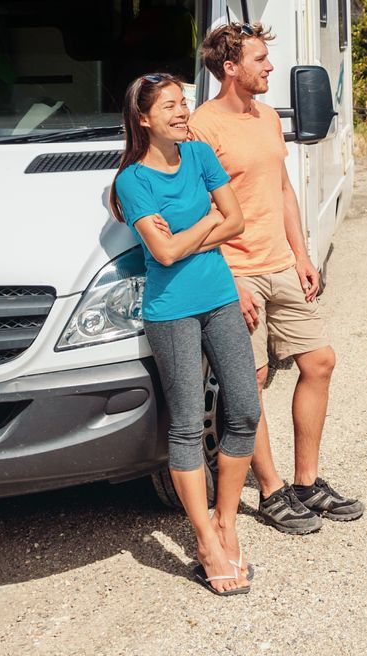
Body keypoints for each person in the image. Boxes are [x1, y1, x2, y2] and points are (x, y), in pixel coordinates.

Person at [190, 22, 364, 534]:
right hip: (237, 272)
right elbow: (196, 210)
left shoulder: (265, 116)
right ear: (230, 68)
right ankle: (270, 491)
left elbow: (283, 189)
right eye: (261, 59)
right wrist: (228, 277)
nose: (270, 68)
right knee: (254, 381)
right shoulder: (202, 127)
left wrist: (302, 254)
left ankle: (307, 482)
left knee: (320, 361)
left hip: (280, 265)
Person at [110, 72, 260, 596]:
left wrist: (187, 235)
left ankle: (227, 521)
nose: (181, 112)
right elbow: (165, 255)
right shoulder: (132, 181)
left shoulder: (199, 156)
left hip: (219, 297)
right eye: (170, 106)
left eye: (183, 103)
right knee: (187, 422)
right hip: (171, 310)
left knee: (244, 408)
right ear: (143, 118)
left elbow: (236, 220)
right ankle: (205, 540)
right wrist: (205, 226)